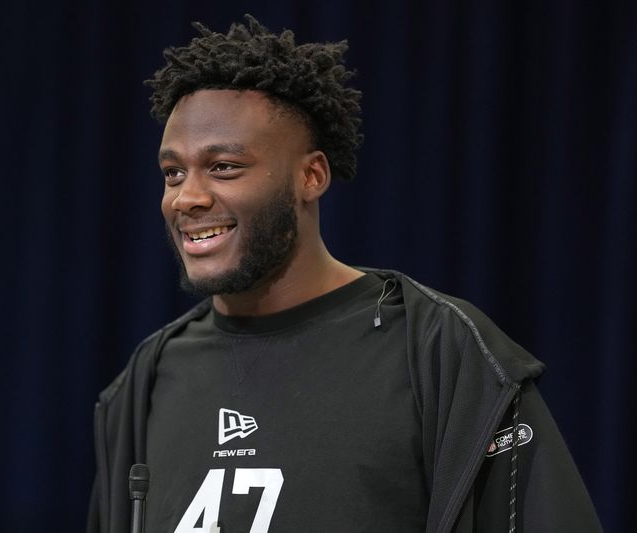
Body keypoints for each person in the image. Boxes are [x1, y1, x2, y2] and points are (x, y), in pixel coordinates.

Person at [87, 15, 601, 533]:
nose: (187, 197)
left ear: (312, 175)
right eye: (173, 173)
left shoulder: (441, 353)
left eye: (223, 167)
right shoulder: (144, 382)